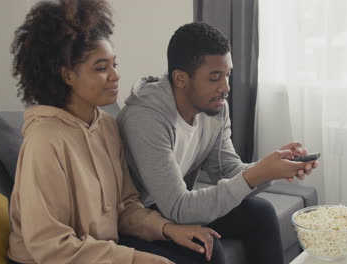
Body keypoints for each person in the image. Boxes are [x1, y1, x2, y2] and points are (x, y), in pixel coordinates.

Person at [7, 2, 223, 264]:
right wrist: (137, 259)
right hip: (50, 259)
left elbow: (125, 207)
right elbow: (49, 246)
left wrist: (168, 229)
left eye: (114, 64)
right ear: (67, 76)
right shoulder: (45, 140)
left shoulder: (107, 126)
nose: (115, 76)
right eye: (101, 68)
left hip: (100, 249)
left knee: (203, 250)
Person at [117, 22, 319, 264]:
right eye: (215, 78)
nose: (226, 88)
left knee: (260, 213)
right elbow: (178, 208)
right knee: (206, 250)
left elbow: (227, 170)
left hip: (169, 205)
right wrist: (258, 173)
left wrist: (273, 167)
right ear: (180, 78)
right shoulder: (146, 118)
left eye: (227, 74)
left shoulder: (214, 107)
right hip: (137, 218)